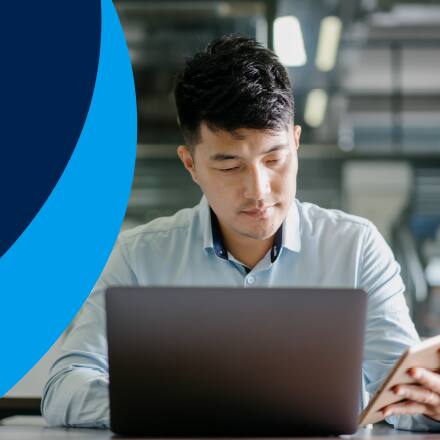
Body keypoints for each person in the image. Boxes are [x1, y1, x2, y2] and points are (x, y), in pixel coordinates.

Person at [41, 35, 440, 430]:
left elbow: (404, 394)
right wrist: (171, 405)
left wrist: (429, 404)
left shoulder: (355, 247)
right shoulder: (140, 257)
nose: (259, 190)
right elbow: (63, 386)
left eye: (274, 158)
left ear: (296, 144)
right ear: (191, 165)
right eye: (230, 166)